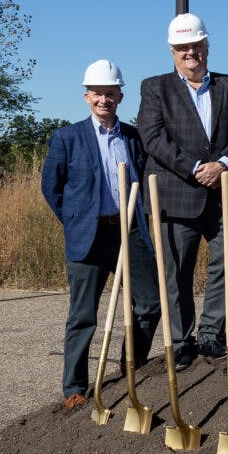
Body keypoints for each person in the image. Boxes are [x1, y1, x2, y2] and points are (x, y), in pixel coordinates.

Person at [41, 60, 162, 410]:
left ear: (120, 96)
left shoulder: (132, 136)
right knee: (82, 316)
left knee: (151, 303)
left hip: (129, 232)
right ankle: (74, 388)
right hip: (88, 237)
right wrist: (76, 219)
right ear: (86, 96)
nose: (103, 100)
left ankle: (131, 361)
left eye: (110, 94)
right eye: (97, 94)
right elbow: (52, 187)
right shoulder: (67, 137)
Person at [136, 13, 228, 371]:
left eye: (196, 46)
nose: (191, 54)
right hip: (176, 195)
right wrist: (195, 168)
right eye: (183, 48)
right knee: (176, 273)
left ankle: (211, 333)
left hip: (224, 193)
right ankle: (181, 340)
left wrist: (224, 164)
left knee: (225, 266)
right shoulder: (155, 88)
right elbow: (152, 138)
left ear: (207, 47)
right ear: (172, 52)